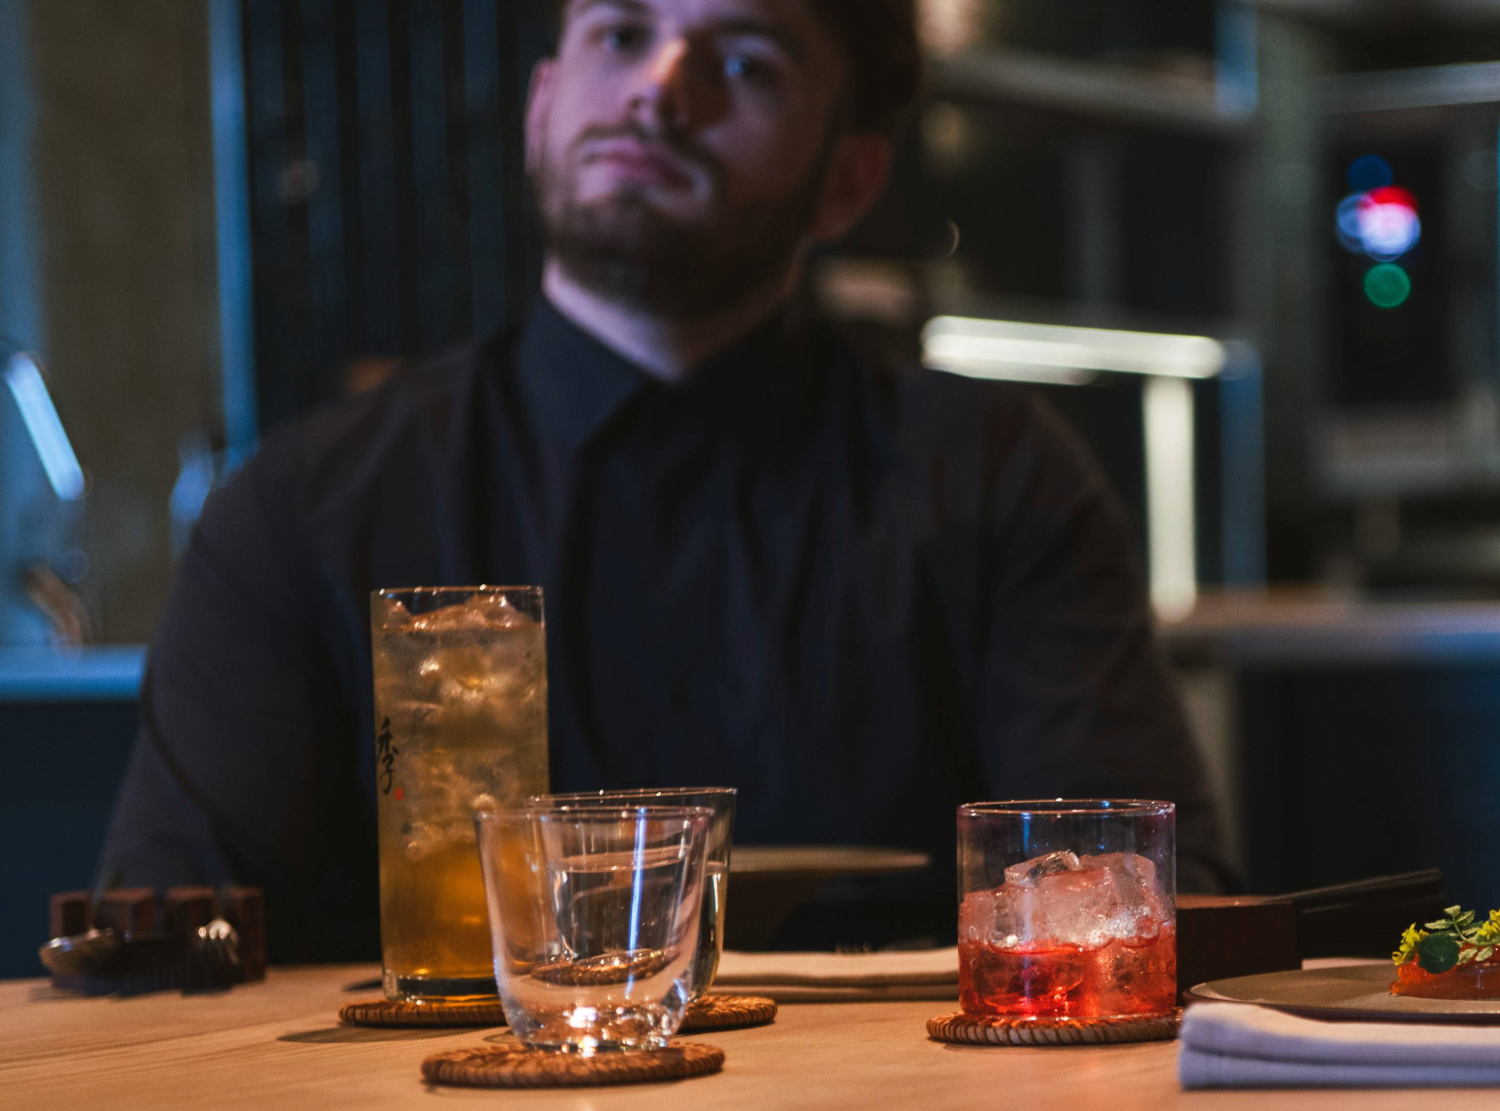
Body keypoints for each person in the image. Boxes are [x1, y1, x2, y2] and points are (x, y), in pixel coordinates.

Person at [101, 0, 1233, 960]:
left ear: (847, 179)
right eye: (622, 32)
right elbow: (174, 957)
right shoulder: (309, 507)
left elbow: (1146, 907)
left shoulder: (995, 479)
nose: (659, 89)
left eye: (744, 61)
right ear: (544, 105)